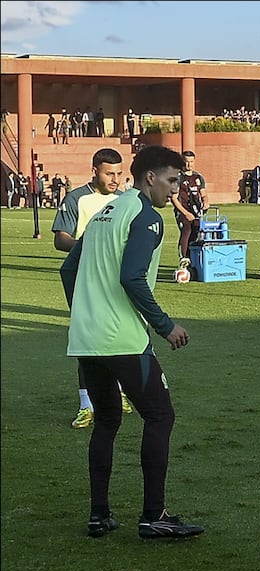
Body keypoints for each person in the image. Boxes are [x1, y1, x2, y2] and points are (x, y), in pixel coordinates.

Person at [59, 145, 204, 540]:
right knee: (160, 416)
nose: (174, 191)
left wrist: (86, 312)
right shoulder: (146, 216)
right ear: (150, 177)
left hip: (87, 339)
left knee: (106, 421)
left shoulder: (105, 212)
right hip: (121, 338)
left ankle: (99, 514)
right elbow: (132, 277)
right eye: (172, 181)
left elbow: (67, 269)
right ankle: (154, 514)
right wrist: (165, 325)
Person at [52, 148, 134, 428]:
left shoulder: (125, 200)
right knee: (87, 341)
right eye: (109, 173)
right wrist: (91, 247)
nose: (114, 179)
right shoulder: (77, 198)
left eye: (118, 174)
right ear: (94, 170)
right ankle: (87, 405)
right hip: (85, 279)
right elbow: (61, 239)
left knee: (120, 334)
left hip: (115, 280)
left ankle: (120, 393)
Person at [170, 150, 208, 279]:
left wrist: (206, 202)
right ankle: (183, 258)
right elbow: (174, 198)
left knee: (196, 232)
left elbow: (203, 193)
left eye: (191, 162)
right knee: (186, 230)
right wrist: (185, 213)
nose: (189, 165)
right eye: (186, 162)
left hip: (196, 211)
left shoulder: (198, 177)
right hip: (183, 210)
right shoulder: (178, 177)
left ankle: (193, 260)